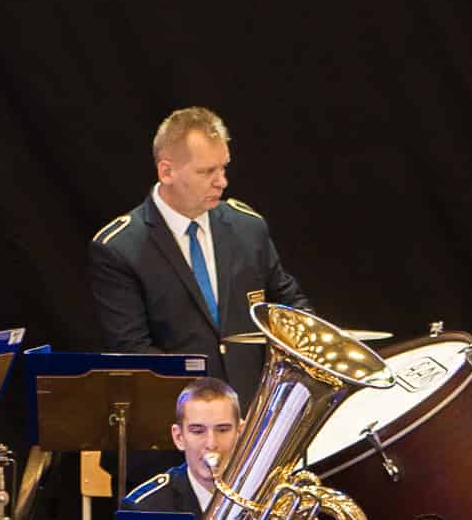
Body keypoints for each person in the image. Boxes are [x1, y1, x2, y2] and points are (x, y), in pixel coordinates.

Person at [87, 107, 307, 402]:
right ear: (166, 172)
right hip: (178, 426)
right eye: (207, 172)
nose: (222, 182)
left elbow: (288, 302)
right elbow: (133, 352)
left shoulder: (247, 227)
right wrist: (207, 411)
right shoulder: (119, 247)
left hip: (254, 415)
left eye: (223, 168)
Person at [116, 378, 245, 518]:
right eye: (198, 431)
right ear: (178, 437)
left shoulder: (262, 498)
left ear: (240, 434)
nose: (211, 444)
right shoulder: (145, 508)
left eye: (223, 430)